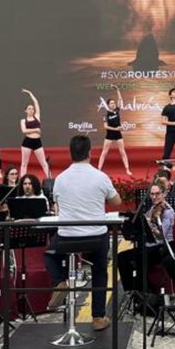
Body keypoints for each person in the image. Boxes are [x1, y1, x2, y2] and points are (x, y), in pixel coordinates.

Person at [43, 135, 122, 330]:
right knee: (99, 270)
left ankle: (60, 280)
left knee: (50, 254)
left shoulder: (60, 179)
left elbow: (58, 208)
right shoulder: (100, 176)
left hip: (68, 238)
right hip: (96, 237)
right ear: (89, 152)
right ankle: (97, 317)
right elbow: (117, 202)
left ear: (70, 153)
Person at [118, 178, 174, 294]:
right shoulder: (152, 209)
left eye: (157, 194)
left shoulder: (168, 211)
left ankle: (146, 294)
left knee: (139, 260)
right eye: (152, 194)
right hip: (150, 246)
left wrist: (151, 226)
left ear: (164, 194)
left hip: (163, 248)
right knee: (122, 256)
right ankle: (131, 291)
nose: (154, 197)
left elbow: (161, 235)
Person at [98, 86, 132, 177]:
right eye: (111, 103)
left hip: (118, 134)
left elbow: (120, 100)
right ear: (108, 105)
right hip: (109, 135)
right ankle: (99, 169)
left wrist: (118, 90)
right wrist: (115, 129)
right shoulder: (106, 115)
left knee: (122, 152)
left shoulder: (117, 111)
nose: (113, 104)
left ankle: (127, 169)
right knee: (104, 152)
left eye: (114, 103)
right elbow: (105, 126)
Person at [19, 88, 51, 180]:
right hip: (27, 142)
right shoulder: (23, 120)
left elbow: (36, 103)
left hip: (37, 142)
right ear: (25, 111)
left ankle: (50, 180)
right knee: (24, 164)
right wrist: (36, 130)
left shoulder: (37, 116)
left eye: (32, 108)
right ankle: (22, 181)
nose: (31, 110)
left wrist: (30, 93)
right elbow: (24, 131)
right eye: (29, 109)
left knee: (44, 163)